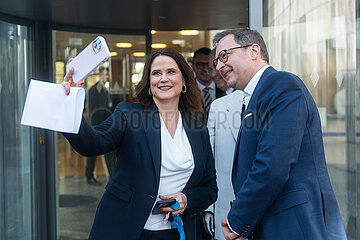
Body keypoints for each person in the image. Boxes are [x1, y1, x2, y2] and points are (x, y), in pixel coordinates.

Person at [61, 48, 218, 240]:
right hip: (128, 230)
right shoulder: (129, 115)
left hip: (178, 232)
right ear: (149, 84)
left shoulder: (198, 130)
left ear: (184, 80)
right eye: (156, 73)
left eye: (171, 72)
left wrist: (187, 200)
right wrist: (71, 103)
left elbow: (209, 188)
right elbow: (91, 143)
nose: (163, 78)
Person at [213, 28, 347, 240]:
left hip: (293, 225)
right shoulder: (257, 95)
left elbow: (273, 165)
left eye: (223, 56)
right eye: (216, 62)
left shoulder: (281, 85)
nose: (219, 67)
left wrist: (237, 221)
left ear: (253, 51)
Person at [201, 54, 243, 239]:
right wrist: (209, 207)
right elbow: (209, 161)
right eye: (214, 65)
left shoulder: (272, 100)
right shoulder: (218, 107)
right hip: (225, 209)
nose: (218, 69)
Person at [86, 66, 115, 185]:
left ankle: (112, 177)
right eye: (106, 75)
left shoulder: (104, 89)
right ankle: (89, 176)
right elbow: (94, 110)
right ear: (100, 75)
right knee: (93, 153)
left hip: (105, 127)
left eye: (108, 75)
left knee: (108, 151)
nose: (107, 77)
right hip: (98, 127)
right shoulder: (94, 90)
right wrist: (97, 128)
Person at [192, 47, 225, 123]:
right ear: (193, 66)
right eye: (200, 65)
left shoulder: (225, 89)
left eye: (208, 65)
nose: (205, 69)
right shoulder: (185, 91)